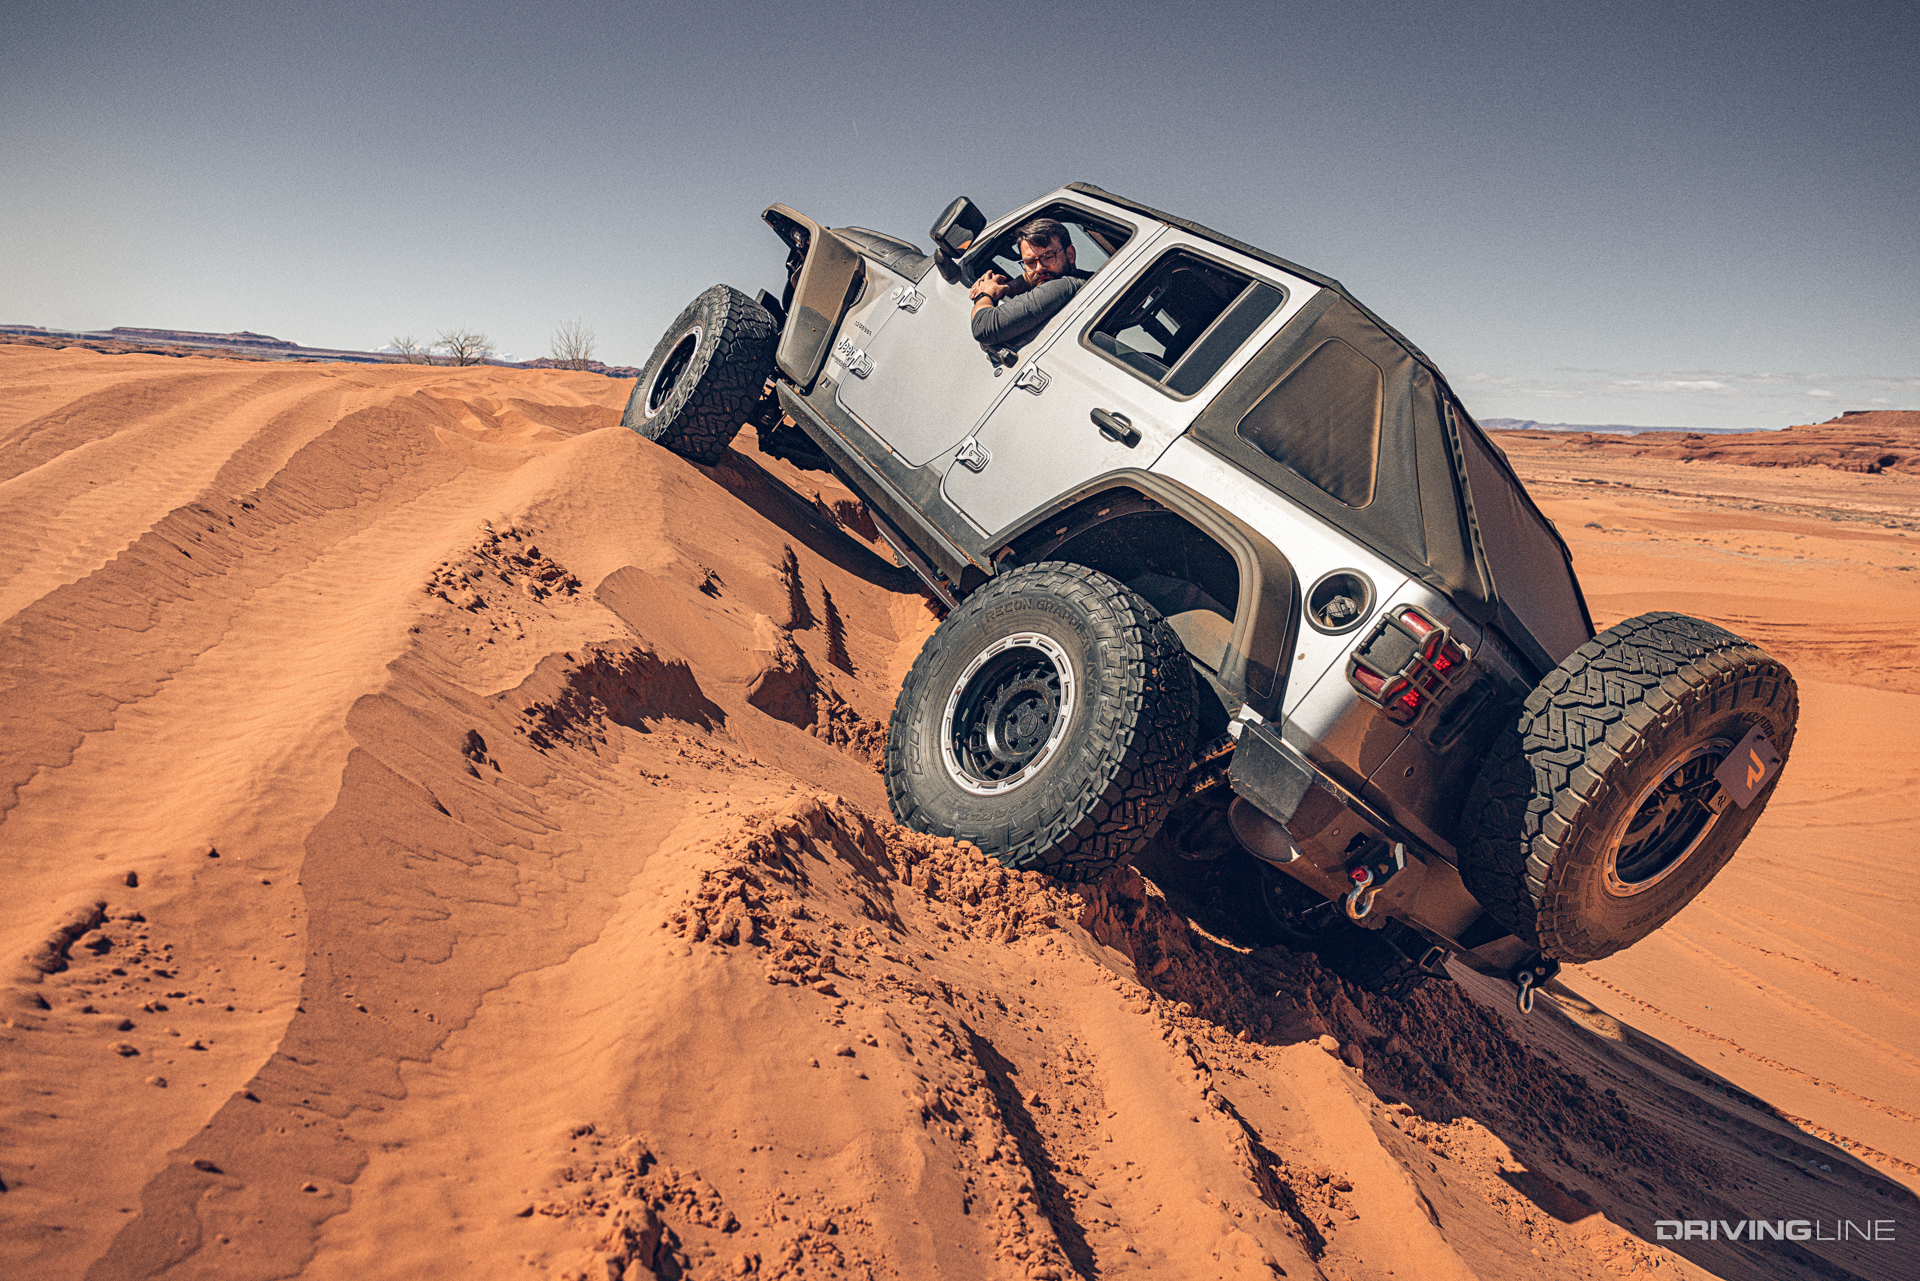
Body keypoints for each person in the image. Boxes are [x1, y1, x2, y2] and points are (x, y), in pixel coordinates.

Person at [969, 218, 1091, 349]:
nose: (1039, 268)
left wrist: (983, 295)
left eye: (1048, 257)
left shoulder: (1063, 286)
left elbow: (983, 327)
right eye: (1030, 262)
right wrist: (1006, 287)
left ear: (1070, 254)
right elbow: (1030, 277)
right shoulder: (1083, 279)